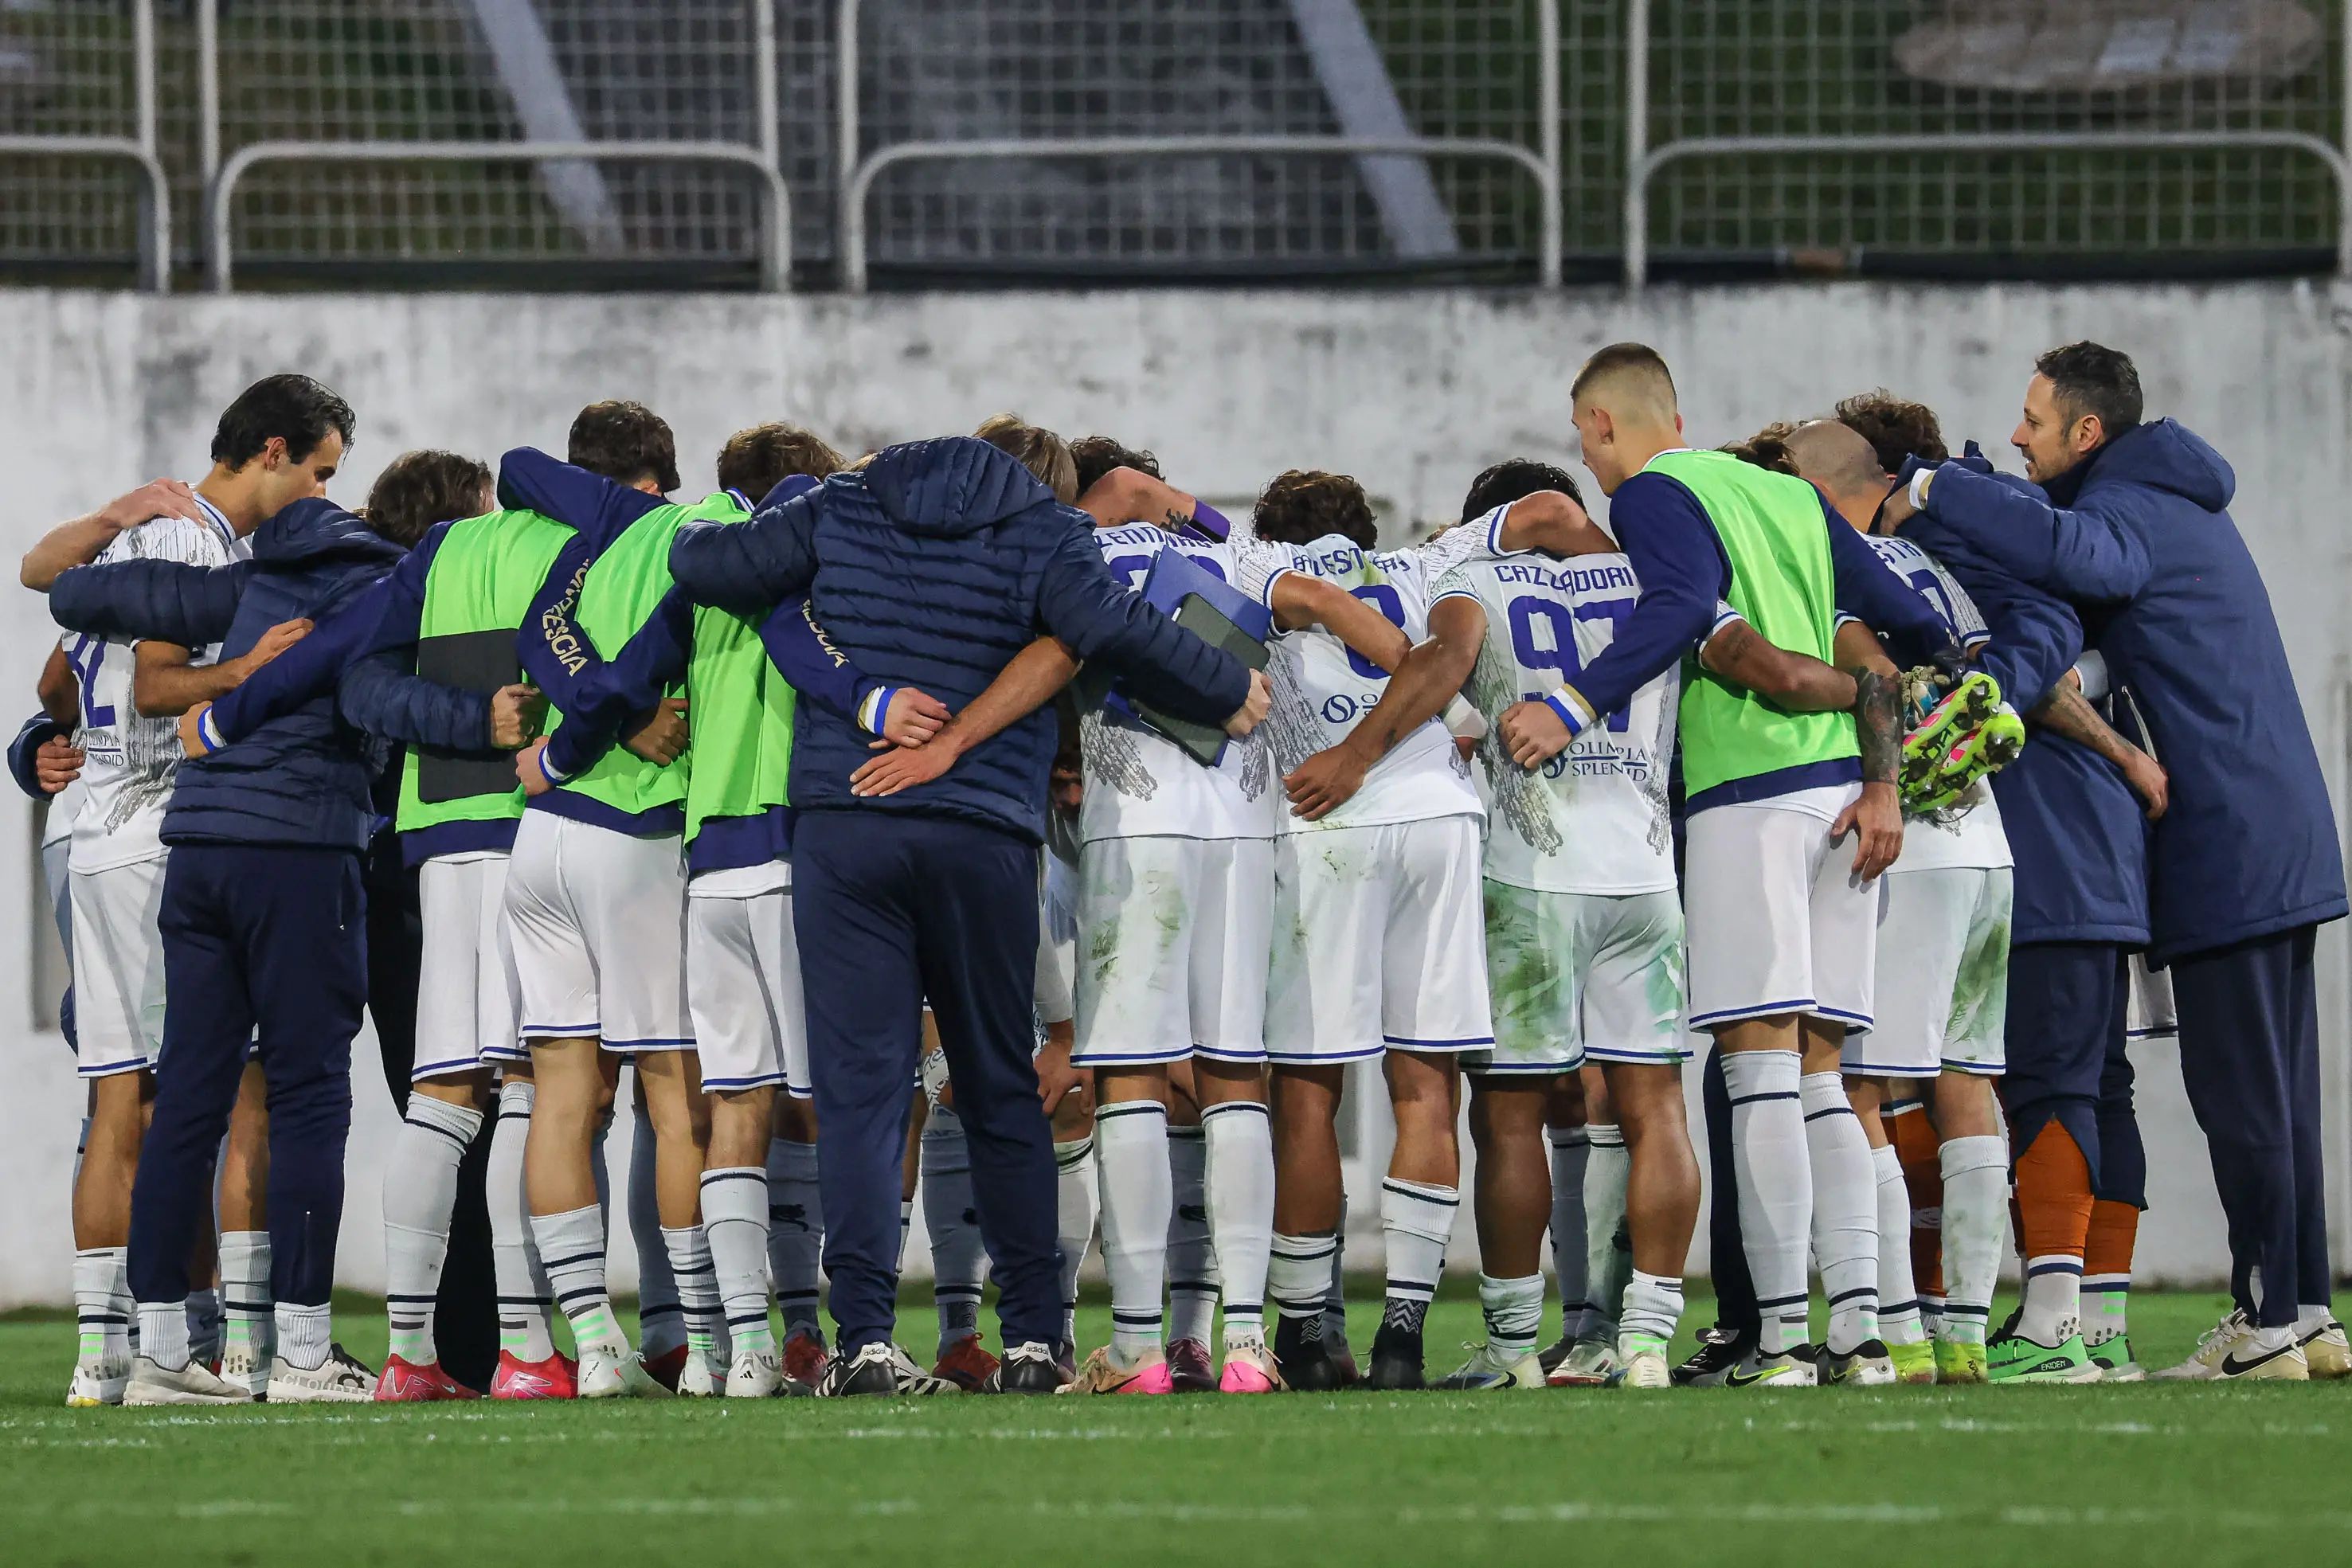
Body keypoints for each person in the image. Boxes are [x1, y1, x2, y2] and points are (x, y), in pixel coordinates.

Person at [667, 420, 1268, 1396]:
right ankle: (1033, 1338)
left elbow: (705, 565)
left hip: (849, 820)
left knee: (863, 1092)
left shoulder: (843, 504)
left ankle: (863, 1337)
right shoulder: (1047, 532)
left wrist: (757, 519)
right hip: (982, 831)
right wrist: (1224, 679)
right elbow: (1105, 625)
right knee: (996, 1083)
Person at [1497, 344, 1960, 1386]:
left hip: (1749, 799)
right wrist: (1890, 752)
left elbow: (1676, 610)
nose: (1590, 457)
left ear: (1603, 424)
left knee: (1756, 1075)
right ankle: (1864, 1335)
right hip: (1846, 796)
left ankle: (1786, 1343)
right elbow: (1914, 621)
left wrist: (1567, 704)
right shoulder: (1788, 493)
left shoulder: (1656, 493)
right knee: (1825, 1078)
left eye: (1584, 435)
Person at [1886, 341, 2347, 1379]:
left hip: (2226, 841)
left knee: (2242, 1094)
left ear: (2087, 432)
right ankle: (2305, 1309)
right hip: (2280, 828)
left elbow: (2074, 558)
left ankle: (2266, 1319)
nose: (2016, 436)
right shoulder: (2176, 501)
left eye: (2033, 420)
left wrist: (1931, 485)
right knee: (2281, 1092)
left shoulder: (2128, 511)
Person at [187, 448, 558, 1401]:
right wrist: (485, 722)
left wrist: (41, 743)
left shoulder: (310, 583)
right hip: (395, 878)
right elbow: (367, 692)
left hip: (356, 873)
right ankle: (490, 1343)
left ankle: (416, 1348)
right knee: (483, 1101)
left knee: (418, 1108)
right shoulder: (414, 590)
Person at [50, 457, 420, 1403]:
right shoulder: (378, 584)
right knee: (303, 1096)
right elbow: (376, 702)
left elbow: (73, 589)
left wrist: (118, 524)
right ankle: (296, 1352)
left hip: (199, 845)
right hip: (298, 850)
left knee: (183, 1100)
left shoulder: (234, 580)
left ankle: (160, 1355)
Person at [1327, 460, 1700, 1390]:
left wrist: (1358, 751)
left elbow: (1444, 662)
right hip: (1647, 875)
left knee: (1509, 1115)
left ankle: (1509, 1349)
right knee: (1654, 1107)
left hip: (1531, 878)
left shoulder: (1471, 577)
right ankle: (1642, 1341)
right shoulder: (1656, 579)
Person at [1048, 455, 1412, 1396]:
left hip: (1139, 823)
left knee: (1131, 1073)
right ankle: (1246, 1342)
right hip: (1245, 822)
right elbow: (1334, 610)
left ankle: (1135, 1348)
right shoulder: (1233, 556)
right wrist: (1422, 692)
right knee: (1232, 1073)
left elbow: (1118, 494)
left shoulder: (1061, 546)